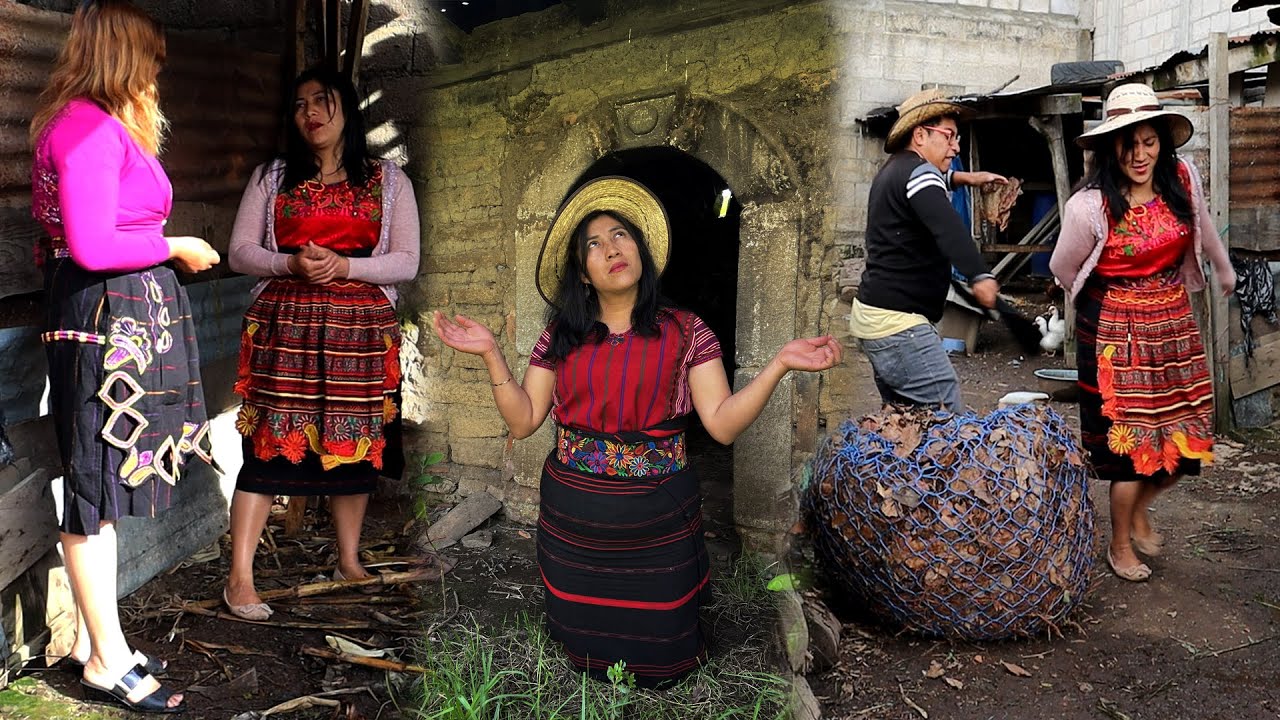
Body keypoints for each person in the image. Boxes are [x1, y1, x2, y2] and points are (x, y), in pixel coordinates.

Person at [432, 176, 841, 687]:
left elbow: (722, 425)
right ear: (582, 273)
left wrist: (778, 364)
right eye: (594, 245)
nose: (611, 249)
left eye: (620, 234)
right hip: (574, 518)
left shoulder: (687, 332)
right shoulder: (561, 336)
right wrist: (492, 352)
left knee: (664, 655)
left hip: (658, 521)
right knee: (581, 646)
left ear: (642, 250)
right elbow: (523, 420)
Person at [29, 0, 220, 712]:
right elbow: (92, 247)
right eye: (152, 59)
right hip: (99, 317)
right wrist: (175, 245)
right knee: (91, 488)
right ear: (123, 55)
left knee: (102, 482)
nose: (157, 74)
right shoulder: (83, 128)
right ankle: (106, 661)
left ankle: (89, 640)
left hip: (121, 318)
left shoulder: (100, 126)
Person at [224, 67, 420, 619]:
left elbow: (406, 261)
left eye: (322, 100)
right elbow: (240, 251)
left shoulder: (387, 180)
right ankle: (240, 578)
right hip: (284, 333)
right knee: (265, 449)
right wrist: (289, 262)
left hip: (359, 338)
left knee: (354, 446)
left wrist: (346, 265)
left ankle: (349, 560)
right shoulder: (273, 178)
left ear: (346, 110)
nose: (310, 112)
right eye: (300, 104)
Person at [1050, 82, 1235, 582]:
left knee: (1184, 440)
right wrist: (1113, 312)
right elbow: (1063, 268)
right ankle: (1118, 545)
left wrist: (1222, 267)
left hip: (1173, 323)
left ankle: (1137, 511)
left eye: (1149, 141)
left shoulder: (1181, 175)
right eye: (1128, 142)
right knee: (1129, 451)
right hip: (1115, 332)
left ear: (1163, 143)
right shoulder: (1089, 206)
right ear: (1111, 145)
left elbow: (1203, 225)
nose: (1139, 154)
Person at [851, 88, 1007, 410]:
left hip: (877, 317)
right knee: (944, 408)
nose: (956, 145)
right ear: (920, 135)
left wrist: (969, 178)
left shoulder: (897, 169)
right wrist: (979, 274)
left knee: (904, 420)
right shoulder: (920, 175)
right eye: (949, 136)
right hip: (899, 325)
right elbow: (947, 226)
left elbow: (939, 180)